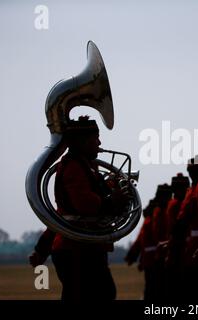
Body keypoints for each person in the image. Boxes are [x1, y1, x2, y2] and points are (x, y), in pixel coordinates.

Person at [29, 116, 128, 300]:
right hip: (76, 250)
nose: (99, 142)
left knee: (104, 293)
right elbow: (85, 205)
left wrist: (41, 249)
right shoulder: (74, 167)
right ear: (82, 142)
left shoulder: (87, 167)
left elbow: (60, 218)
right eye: (95, 138)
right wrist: (113, 200)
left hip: (86, 247)